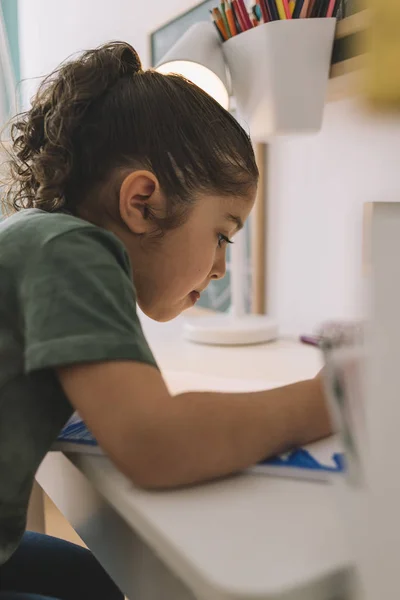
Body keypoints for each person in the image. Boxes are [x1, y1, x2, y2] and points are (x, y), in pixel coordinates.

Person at [0, 41, 332, 600]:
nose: (223, 267)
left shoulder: (33, 232)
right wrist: (338, 397)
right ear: (143, 201)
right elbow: (155, 444)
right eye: (222, 234)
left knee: (95, 581)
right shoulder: (71, 251)